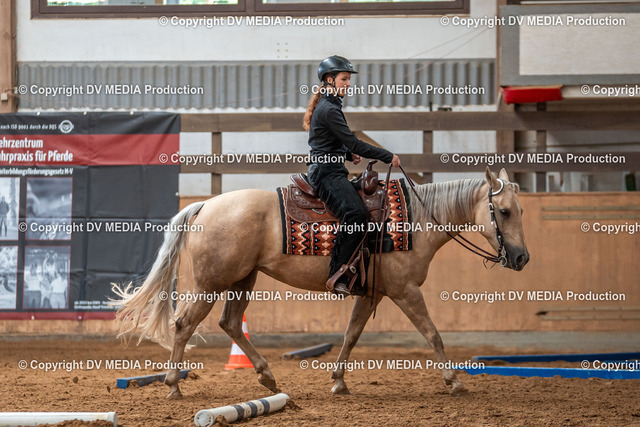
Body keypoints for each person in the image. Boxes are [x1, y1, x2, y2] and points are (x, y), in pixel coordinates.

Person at [303, 55, 401, 296]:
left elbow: (325, 141)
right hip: (326, 173)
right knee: (356, 214)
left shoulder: (329, 105)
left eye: (348, 79)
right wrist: (387, 156)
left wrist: (347, 154)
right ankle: (337, 275)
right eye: (344, 79)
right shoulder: (329, 109)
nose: (348, 84)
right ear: (329, 80)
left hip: (330, 168)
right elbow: (354, 142)